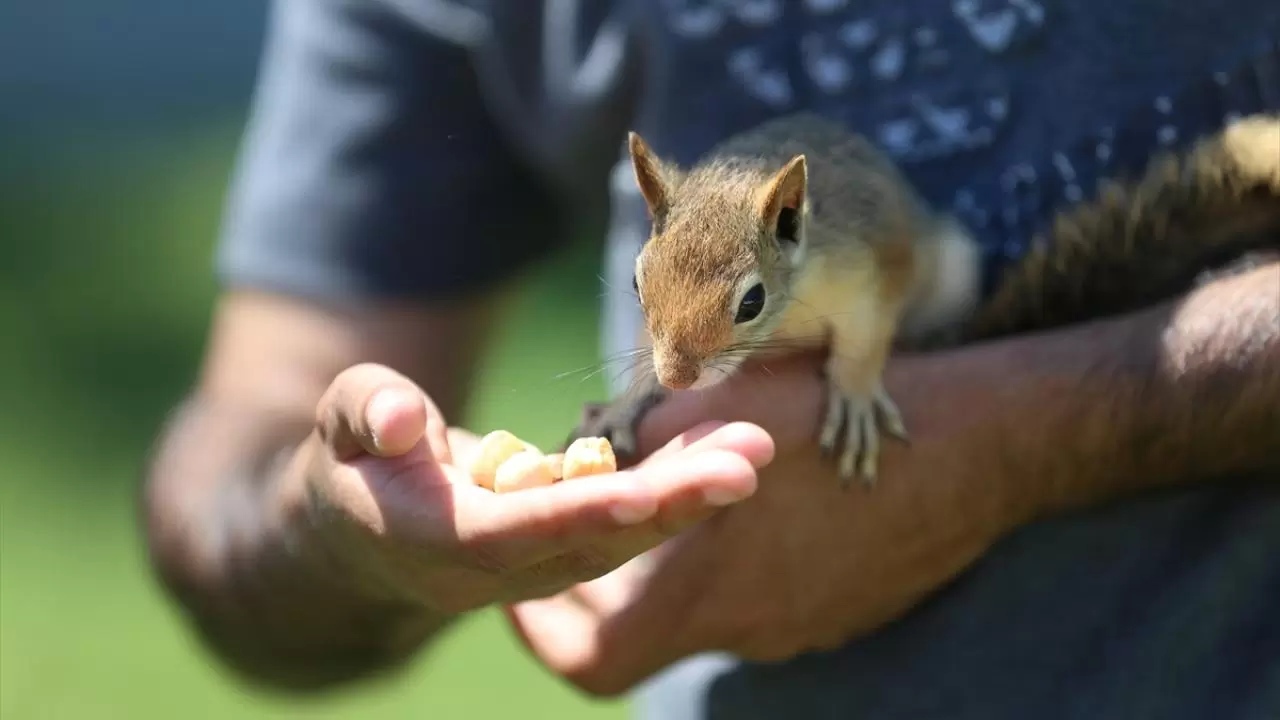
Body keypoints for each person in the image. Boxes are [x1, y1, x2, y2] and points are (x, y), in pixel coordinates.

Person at [141, 0, 1280, 717]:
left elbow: (886, 283)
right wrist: (345, 537)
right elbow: (255, 427)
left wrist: (1003, 435)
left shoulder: (825, 256)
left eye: (733, 309)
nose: (672, 363)